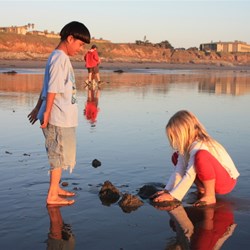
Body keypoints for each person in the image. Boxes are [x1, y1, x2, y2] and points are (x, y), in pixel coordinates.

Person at [27, 21, 91, 205]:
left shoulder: (60, 58)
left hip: (62, 116)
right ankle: (52, 196)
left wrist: (38, 106)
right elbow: (52, 87)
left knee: (62, 155)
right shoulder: (59, 58)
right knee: (57, 156)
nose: (80, 49)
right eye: (79, 44)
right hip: (57, 117)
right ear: (70, 39)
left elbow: (46, 87)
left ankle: (56, 189)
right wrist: (46, 112)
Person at [152, 110, 240, 207]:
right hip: (214, 178)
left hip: (225, 182)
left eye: (175, 137)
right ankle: (202, 189)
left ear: (184, 133)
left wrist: (174, 196)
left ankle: (210, 195)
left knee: (201, 156)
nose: (174, 141)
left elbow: (190, 174)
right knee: (176, 157)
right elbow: (179, 170)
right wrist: (168, 190)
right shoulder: (187, 145)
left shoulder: (200, 146)